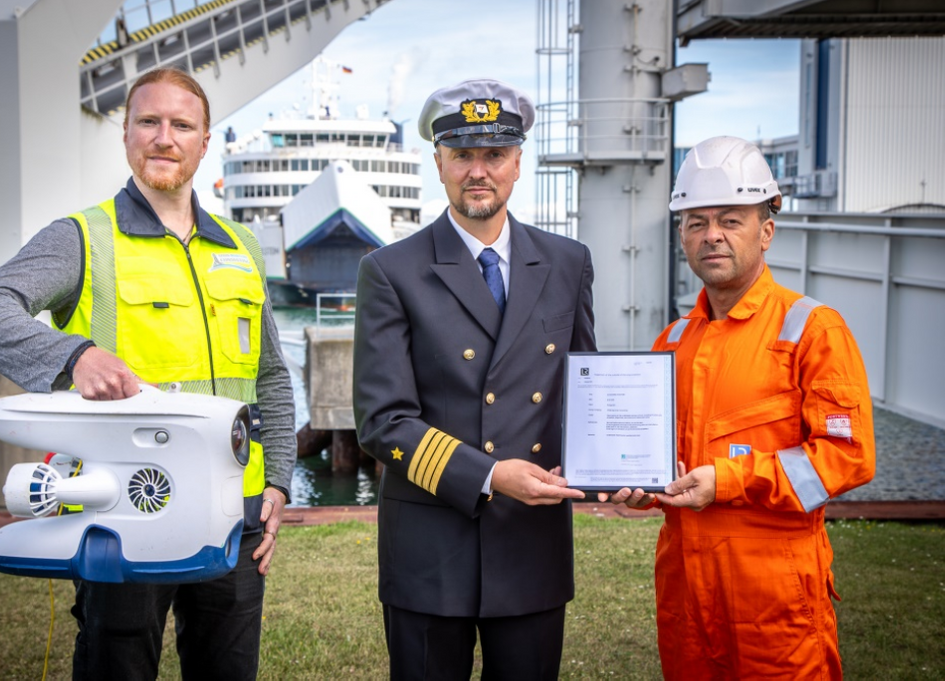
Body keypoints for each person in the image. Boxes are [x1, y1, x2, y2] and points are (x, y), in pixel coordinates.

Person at [0, 67, 295, 680]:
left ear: (205, 140)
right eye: (149, 122)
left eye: (182, 125)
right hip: (122, 509)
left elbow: (268, 375)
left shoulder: (242, 247)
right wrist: (73, 356)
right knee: (119, 667)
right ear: (128, 135)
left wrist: (281, 485)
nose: (165, 138)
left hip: (234, 510)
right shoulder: (83, 238)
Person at [602, 136, 876, 679]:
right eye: (696, 222)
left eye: (730, 220)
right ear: (681, 234)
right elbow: (665, 466)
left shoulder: (811, 330)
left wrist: (729, 480)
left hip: (774, 603)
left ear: (765, 231)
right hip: (685, 596)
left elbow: (847, 458)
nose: (712, 236)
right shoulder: (673, 341)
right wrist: (638, 489)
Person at [353, 79, 594, 680]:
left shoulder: (568, 262)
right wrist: (489, 475)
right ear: (439, 163)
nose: (477, 171)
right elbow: (383, 421)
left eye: (494, 154)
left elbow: (586, 389)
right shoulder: (389, 270)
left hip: (531, 542)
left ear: (518, 162)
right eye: (462, 154)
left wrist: (618, 469)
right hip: (431, 548)